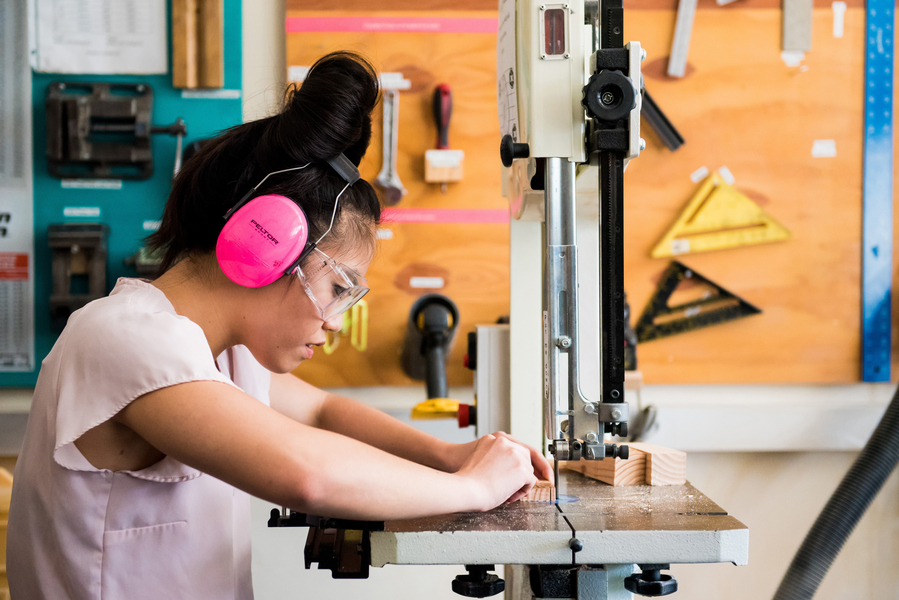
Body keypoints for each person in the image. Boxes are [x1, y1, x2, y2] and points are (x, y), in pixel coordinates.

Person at [8, 52, 552, 600]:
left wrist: (449, 455)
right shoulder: (124, 338)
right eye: (339, 288)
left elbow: (322, 412)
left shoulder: (218, 351)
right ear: (266, 246)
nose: (337, 324)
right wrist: (472, 486)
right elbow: (306, 474)